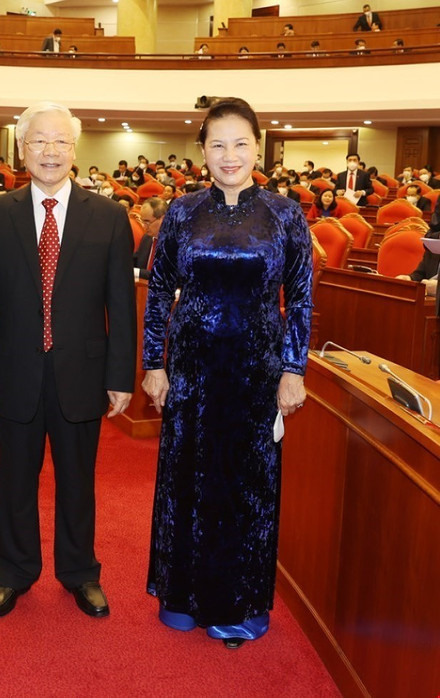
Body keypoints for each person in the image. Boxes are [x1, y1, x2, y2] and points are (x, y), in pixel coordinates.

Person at [141, 97, 313, 649]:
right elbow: (158, 292)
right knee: (187, 478)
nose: (230, 155)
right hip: (190, 370)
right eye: (218, 144)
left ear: (257, 147)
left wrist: (293, 368)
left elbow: (303, 300)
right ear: (203, 152)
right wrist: (153, 363)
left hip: (255, 371)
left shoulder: (286, 214)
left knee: (247, 488)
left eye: (241, 143)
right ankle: (184, 596)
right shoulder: (184, 211)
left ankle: (237, 603)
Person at [0, 101, 135, 620]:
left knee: (78, 480)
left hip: (83, 373)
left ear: (75, 149)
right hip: (15, 367)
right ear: (21, 150)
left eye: (60, 142)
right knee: (14, 480)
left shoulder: (109, 216)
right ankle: (12, 574)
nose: (50, 152)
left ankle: (80, 572)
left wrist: (120, 376)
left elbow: (120, 304)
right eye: (39, 142)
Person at [134, 196, 167, 281]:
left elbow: (163, 275)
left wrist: (135, 272)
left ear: (163, 219)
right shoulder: (147, 238)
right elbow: (135, 259)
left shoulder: (176, 242)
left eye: (147, 222)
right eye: (142, 221)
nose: (144, 227)